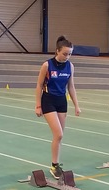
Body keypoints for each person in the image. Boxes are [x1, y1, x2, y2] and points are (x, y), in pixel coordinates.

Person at [35, 36, 81, 179]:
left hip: (62, 101)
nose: (67, 57)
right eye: (65, 54)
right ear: (57, 51)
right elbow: (38, 85)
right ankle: (54, 165)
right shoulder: (47, 65)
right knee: (59, 133)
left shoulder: (70, 66)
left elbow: (71, 86)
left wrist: (76, 105)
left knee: (59, 137)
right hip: (48, 100)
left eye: (70, 54)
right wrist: (38, 105)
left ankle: (55, 164)